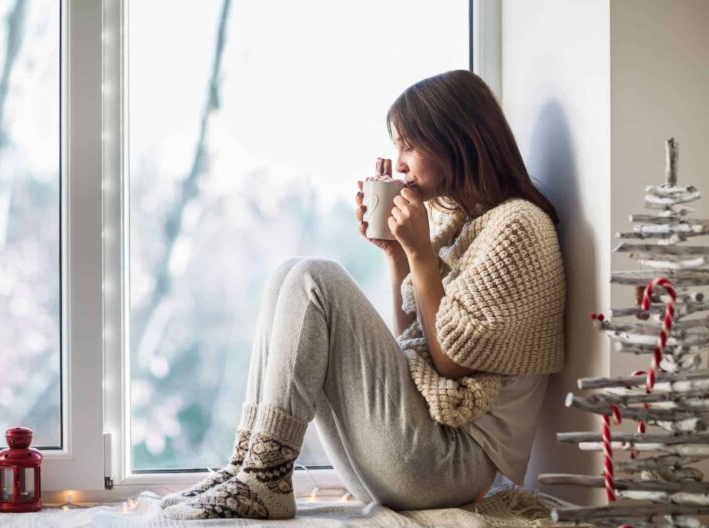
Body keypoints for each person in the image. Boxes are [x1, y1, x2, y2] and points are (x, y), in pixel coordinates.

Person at [160, 69, 566, 521]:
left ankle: (264, 478)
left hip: (455, 465)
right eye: (397, 147)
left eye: (410, 144)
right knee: (286, 276)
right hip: (421, 459)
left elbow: (452, 362)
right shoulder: (465, 228)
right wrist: (398, 255)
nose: (401, 162)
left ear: (458, 139)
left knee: (317, 277)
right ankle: (249, 465)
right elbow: (418, 345)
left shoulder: (518, 226)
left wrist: (420, 254)